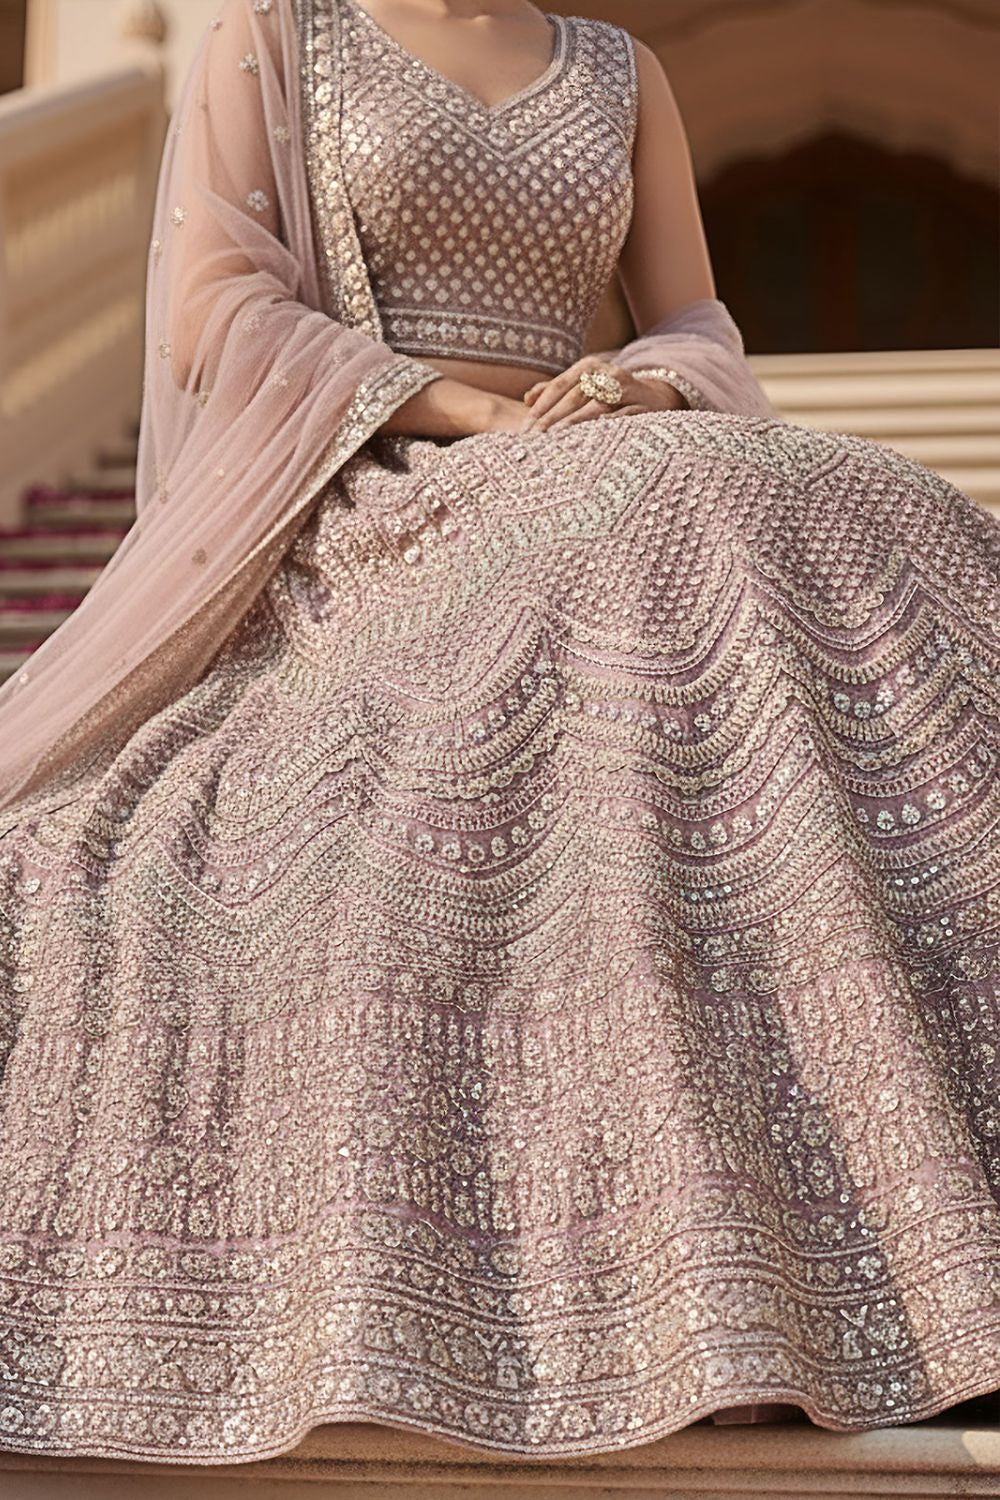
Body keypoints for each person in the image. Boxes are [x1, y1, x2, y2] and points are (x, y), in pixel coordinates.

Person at [0, 0, 997, 1466]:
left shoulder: (621, 69)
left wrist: (642, 383)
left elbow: (696, 320)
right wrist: (474, 412)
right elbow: (220, 303)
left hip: (601, 458)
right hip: (384, 489)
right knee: (668, 507)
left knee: (859, 501)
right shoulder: (279, 36)